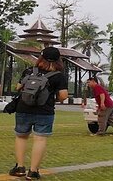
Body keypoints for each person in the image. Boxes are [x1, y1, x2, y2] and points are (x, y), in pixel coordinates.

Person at [9, 46, 68, 180]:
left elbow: (18, 87)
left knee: (21, 136)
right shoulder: (59, 76)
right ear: (58, 60)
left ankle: (19, 167)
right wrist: (53, 98)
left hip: (23, 108)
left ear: (40, 58)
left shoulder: (29, 71)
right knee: (40, 138)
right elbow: (63, 96)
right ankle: (33, 171)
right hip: (45, 110)